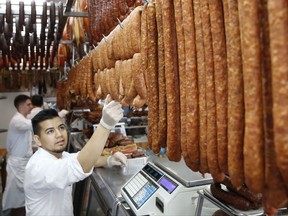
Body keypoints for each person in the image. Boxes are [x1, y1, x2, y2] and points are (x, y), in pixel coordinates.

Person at [24, 99, 127, 215]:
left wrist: (108, 160)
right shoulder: (40, 167)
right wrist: (105, 125)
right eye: (50, 131)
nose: (59, 135)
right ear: (38, 140)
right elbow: (80, 165)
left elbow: (78, 158)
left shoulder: (59, 156)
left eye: (61, 128)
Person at [2, 94, 34, 216]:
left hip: (23, 162)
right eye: (29, 104)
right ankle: (5, 212)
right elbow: (31, 125)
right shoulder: (17, 120)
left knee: (22, 193)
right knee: (11, 192)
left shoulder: (24, 119)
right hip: (17, 163)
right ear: (21, 106)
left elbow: (27, 138)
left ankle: (19, 211)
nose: (31, 107)